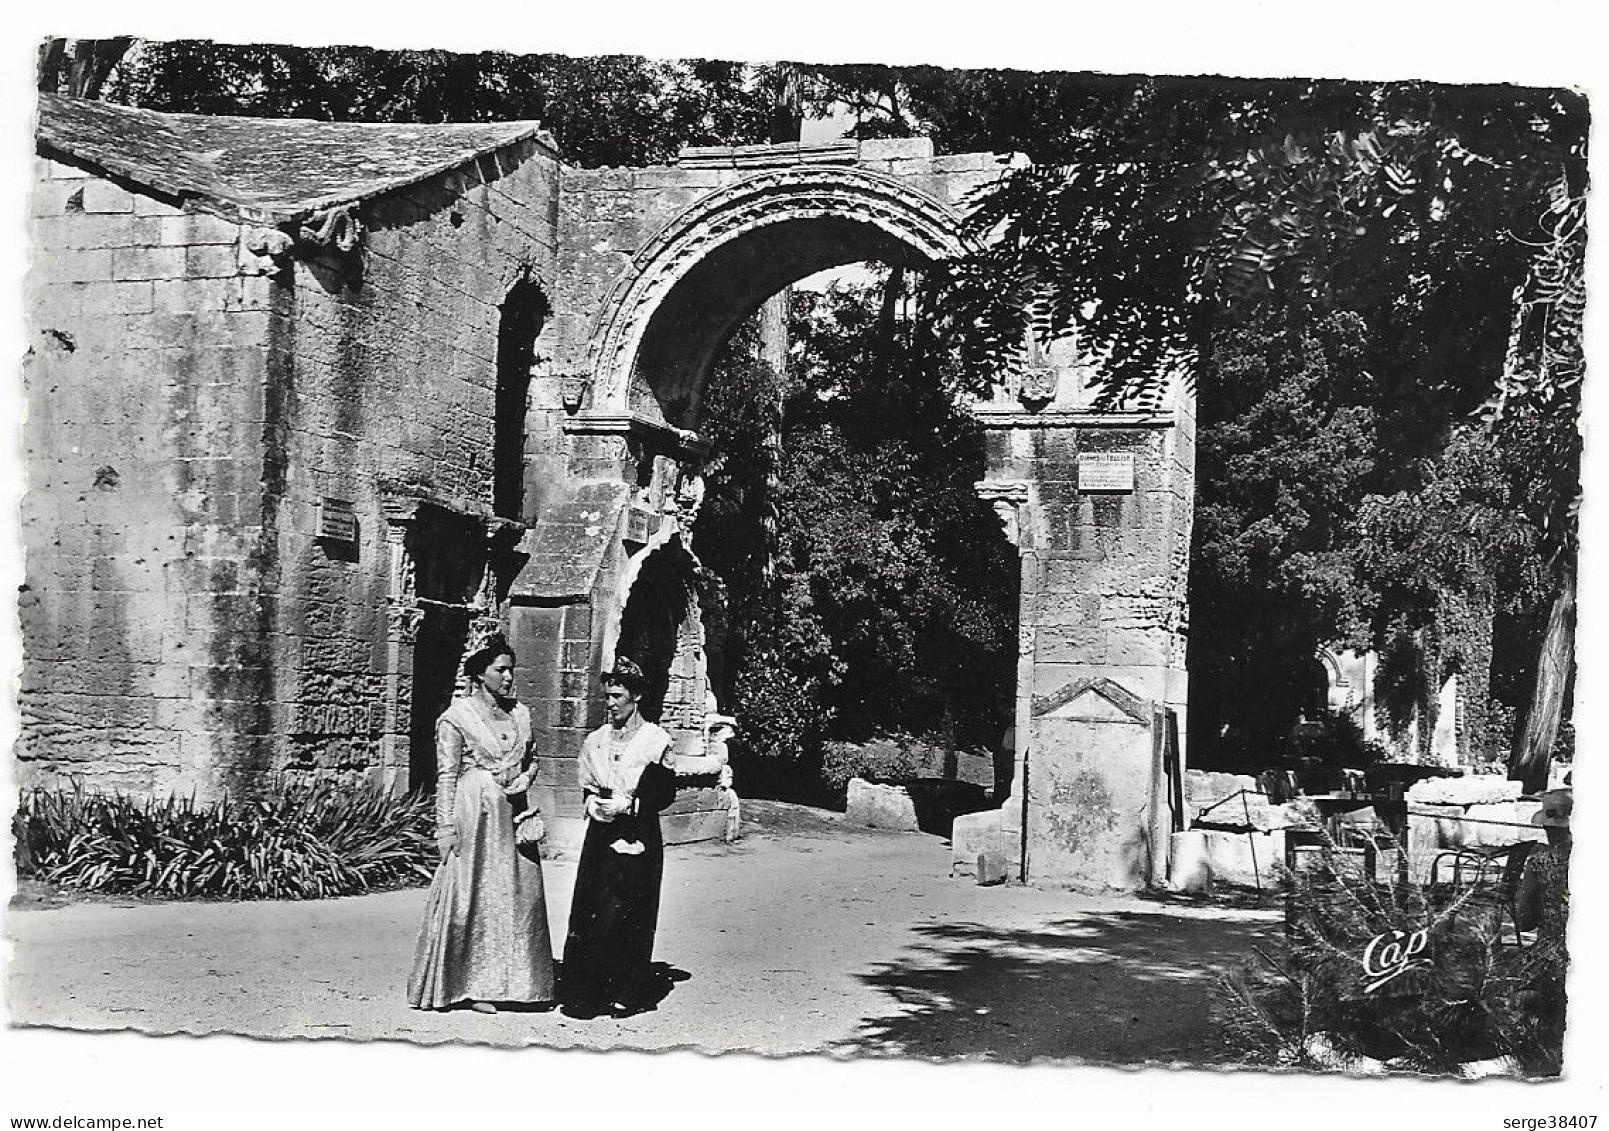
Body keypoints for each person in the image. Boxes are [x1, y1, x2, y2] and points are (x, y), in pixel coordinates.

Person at [407, 633, 555, 1012]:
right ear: (479, 674)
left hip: (513, 811)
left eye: (511, 670)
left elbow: (533, 757)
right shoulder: (457, 718)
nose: (508, 678)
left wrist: (527, 777)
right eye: (500, 670)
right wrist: (445, 828)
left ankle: (519, 981)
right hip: (475, 813)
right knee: (475, 893)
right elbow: (447, 776)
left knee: (518, 893)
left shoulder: (520, 713)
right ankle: (471, 984)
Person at [561, 657, 678, 1017]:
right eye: (608, 696)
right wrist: (593, 803)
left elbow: (665, 792)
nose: (610, 703)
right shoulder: (596, 740)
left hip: (638, 830)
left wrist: (631, 806)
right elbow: (587, 784)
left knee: (630, 908)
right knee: (592, 907)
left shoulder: (655, 741)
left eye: (617, 696)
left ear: (637, 697)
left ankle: (626, 990)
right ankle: (585, 994)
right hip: (601, 834)